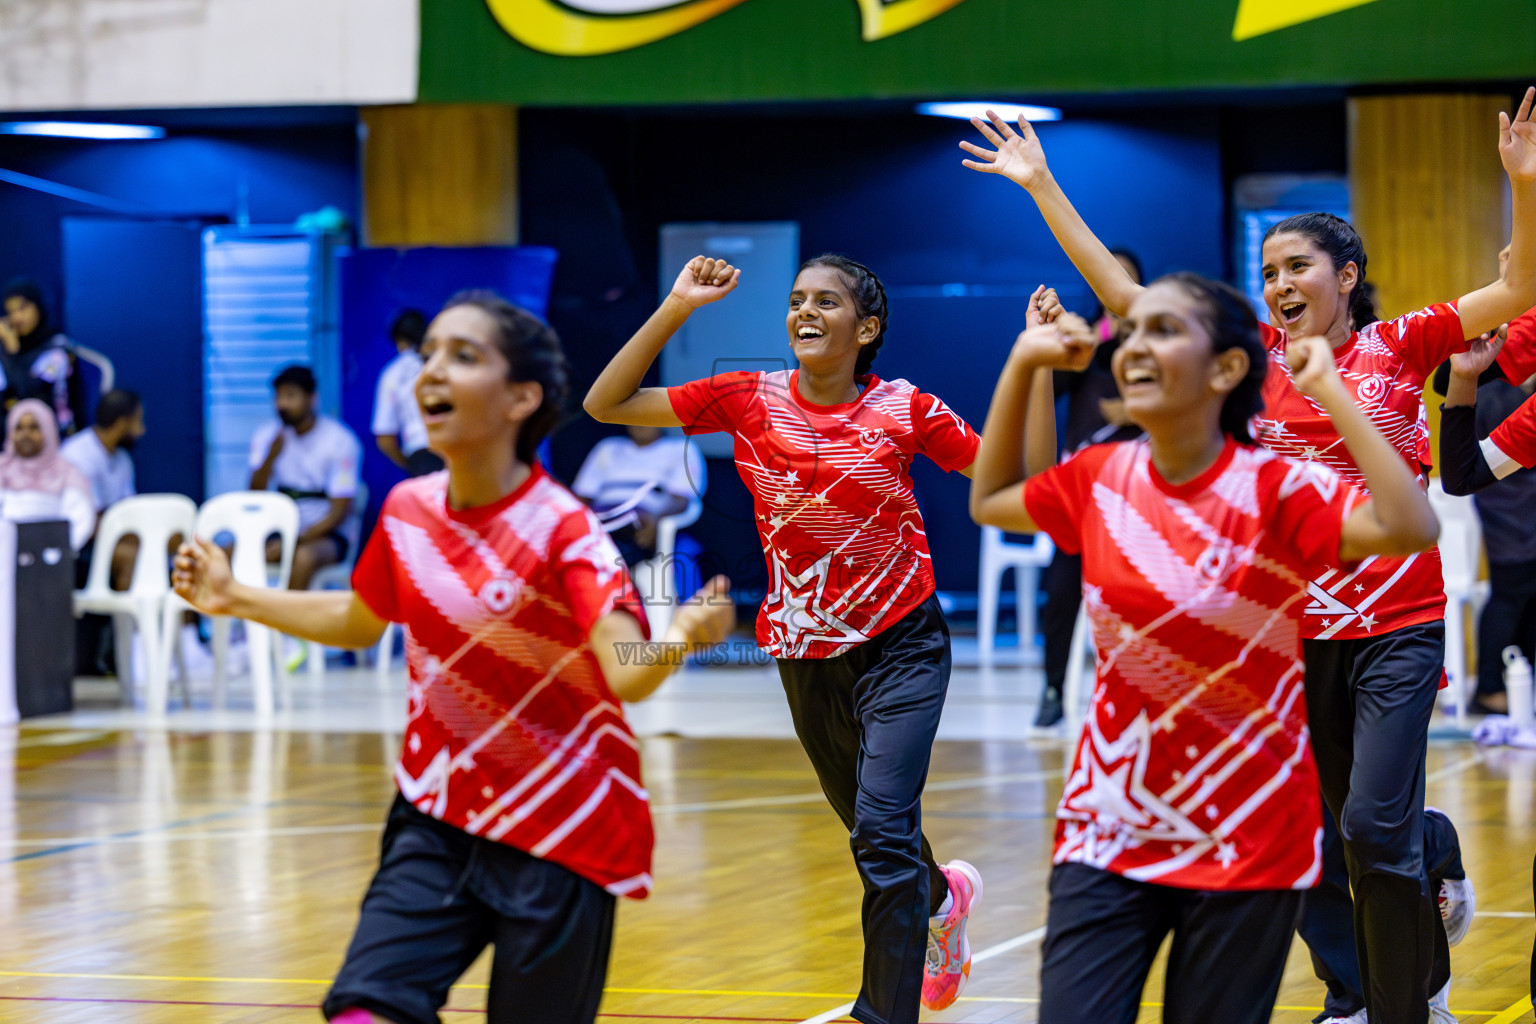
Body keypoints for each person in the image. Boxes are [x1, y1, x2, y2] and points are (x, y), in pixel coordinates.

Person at [960, 93, 1536, 1023]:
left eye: (1297, 267)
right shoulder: (1251, 357)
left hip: (1397, 624)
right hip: (1287, 637)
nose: (1278, 284)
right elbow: (1123, 296)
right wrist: (1042, 186)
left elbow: (1515, 292)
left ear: (1345, 276)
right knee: (1309, 836)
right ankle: (1374, 976)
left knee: (1368, 827)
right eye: (1267, 271)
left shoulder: (1399, 345)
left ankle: (1408, 1008)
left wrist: (1524, 184)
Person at [173, 290, 736, 1024]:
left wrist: (682, 638)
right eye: (429, 352)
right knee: (364, 1008)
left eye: (463, 357)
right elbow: (359, 619)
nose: (431, 371)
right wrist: (235, 597)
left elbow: (625, 670)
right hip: (436, 811)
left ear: (520, 398)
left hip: (561, 829)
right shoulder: (408, 509)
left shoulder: (563, 529)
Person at [971, 272, 1439, 1024]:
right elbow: (992, 499)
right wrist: (1023, 363)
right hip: (1110, 825)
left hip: (1249, 834)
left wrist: (1336, 398)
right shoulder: (1102, 477)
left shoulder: (1278, 490)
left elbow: (1412, 528)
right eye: (1130, 334)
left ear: (1226, 368)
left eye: (1164, 330)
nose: (1135, 347)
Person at [584, 254, 985, 1021]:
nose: (805, 311)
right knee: (878, 836)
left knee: (879, 831)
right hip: (803, 652)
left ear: (865, 329)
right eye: (798, 299)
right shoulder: (747, 398)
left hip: (903, 644)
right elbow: (607, 404)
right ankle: (943, 898)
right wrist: (675, 306)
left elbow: (1006, 476)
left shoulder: (907, 409)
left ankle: (881, 1011)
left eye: (827, 302)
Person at [1035, 248, 1144, 727]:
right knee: (1060, 588)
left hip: (1143, 497)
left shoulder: (1162, 341)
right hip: (1084, 498)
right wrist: (1103, 333)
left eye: (1126, 279)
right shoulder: (1085, 339)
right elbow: (1052, 383)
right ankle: (1054, 688)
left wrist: (1135, 414)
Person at [248, 365, 363, 592]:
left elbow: (339, 512)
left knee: (303, 558)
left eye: (290, 396)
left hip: (326, 535)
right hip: (278, 530)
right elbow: (253, 495)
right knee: (224, 552)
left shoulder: (340, 440)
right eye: (278, 397)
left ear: (312, 399)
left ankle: (284, 626)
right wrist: (270, 458)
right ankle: (194, 628)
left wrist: (292, 542)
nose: (282, 405)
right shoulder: (268, 436)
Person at [572, 422, 704, 567]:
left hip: (641, 521)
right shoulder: (607, 447)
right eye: (634, 417)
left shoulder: (680, 449)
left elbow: (681, 499)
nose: (640, 423)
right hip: (601, 517)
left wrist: (657, 518)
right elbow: (582, 495)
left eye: (647, 417)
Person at [62, 389, 145, 590]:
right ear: (121, 423)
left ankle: (187, 622)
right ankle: (126, 622)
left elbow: (129, 511)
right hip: (77, 544)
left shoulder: (123, 459)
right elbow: (90, 522)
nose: (142, 431)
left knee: (174, 544)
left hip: (111, 534)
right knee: (133, 555)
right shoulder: (77, 454)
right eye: (138, 421)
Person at [0, 399, 94, 552]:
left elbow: (80, 521)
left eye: (34, 428)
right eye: (19, 428)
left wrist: (56, 551)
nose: (26, 435)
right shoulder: (2, 467)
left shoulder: (67, 472)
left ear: (48, 430)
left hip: (47, 558)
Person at [0, 278, 86, 436]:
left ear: (37, 306)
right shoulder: (5, 349)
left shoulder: (58, 347)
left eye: (23, 308)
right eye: (10, 312)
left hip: (56, 439)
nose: (17, 317)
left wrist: (12, 352)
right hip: (13, 445)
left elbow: (30, 401)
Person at [373, 309, 443, 477]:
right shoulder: (445, 363)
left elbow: (384, 436)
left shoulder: (393, 373)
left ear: (399, 341)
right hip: (461, 451)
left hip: (421, 455)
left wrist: (409, 463)